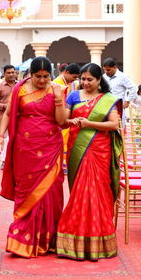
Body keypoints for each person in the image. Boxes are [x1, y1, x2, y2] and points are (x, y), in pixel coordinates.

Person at [0, 56, 67, 258]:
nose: (42, 80)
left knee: (50, 193)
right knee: (26, 191)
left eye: (46, 76)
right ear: (30, 74)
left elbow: (61, 121)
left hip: (50, 146)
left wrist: (59, 99)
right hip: (24, 147)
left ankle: (47, 239)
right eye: (38, 76)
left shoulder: (57, 89)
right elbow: (9, 114)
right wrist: (1, 135)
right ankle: (21, 241)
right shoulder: (20, 88)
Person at [57, 63, 122, 261]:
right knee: (78, 191)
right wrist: (71, 122)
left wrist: (88, 123)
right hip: (78, 147)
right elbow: (63, 121)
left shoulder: (108, 99)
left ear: (99, 80)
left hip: (99, 150)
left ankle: (98, 242)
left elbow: (113, 125)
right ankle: (73, 241)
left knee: (97, 192)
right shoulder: (73, 96)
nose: (85, 83)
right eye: (82, 79)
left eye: (89, 79)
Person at [53, 63, 80, 173]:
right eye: (73, 77)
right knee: (62, 140)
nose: (74, 80)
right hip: (59, 117)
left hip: (67, 117)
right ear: (67, 73)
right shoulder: (56, 83)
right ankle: (62, 164)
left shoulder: (68, 83)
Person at [0, 65, 16, 169]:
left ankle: (14, 159)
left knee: (15, 138)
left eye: (13, 72)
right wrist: (4, 106)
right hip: (3, 116)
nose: (11, 74)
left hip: (17, 117)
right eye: (8, 73)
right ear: (4, 74)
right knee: (4, 138)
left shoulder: (19, 85)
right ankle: (3, 161)